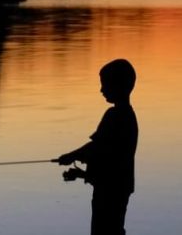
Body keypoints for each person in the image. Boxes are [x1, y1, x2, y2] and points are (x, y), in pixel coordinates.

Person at [58, 59, 139, 235]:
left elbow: (96, 149)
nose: (101, 90)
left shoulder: (114, 116)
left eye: (105, 85)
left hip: (110, 191)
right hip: (117, 188)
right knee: (114, 228)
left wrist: (70, 156)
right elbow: (108, 160)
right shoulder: (129, 116)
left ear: (118, 86)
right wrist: (81, 174)